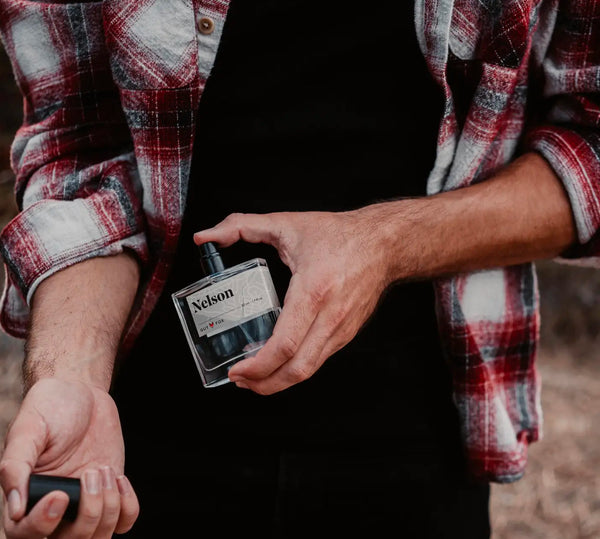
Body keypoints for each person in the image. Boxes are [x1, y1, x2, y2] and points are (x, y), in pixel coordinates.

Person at [0, 0, 598, 537]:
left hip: (419, 430)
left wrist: (385, 244)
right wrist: (72, 376)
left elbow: (590, 146)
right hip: (139, 443)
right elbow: (81, 148)